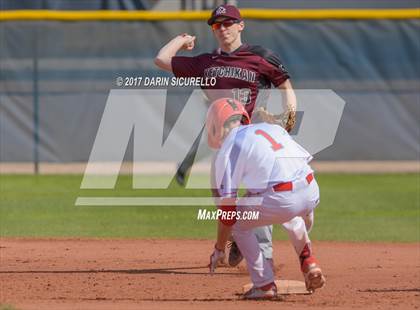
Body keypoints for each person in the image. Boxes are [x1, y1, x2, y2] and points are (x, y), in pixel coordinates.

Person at [154, 4, 307, 276]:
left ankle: (265, 259)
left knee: (259, 195)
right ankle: (239, 237)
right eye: (217, 25)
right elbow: (161, 60)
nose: (223, 28)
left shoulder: (260, 57)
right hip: (227, 142)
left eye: (228, 23)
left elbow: (285, 85)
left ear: (241, 25)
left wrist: (289, 119)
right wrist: (181, 39)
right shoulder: (205, 63)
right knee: (224, 200)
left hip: (257, 139)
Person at [206, 98, 325, 299]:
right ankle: (308, 261)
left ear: (215, 125)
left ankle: (263, 284)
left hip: (281, 199)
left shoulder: (229, 147)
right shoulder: (272, 129)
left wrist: (219, 248)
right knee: (290, 211)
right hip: (311, 190)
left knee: (237, 225)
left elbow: (227, 212)